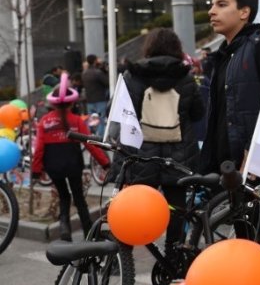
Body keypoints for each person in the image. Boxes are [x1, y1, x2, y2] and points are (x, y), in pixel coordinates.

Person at [199, 0, 260, 250]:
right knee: (246, 241)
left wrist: (254, 156)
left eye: (222, 4)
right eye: (212, 5)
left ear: (244, 12)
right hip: (233, 169)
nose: (211, 11)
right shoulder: (224, 55)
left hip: (259, 169)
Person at [112, 28, 204, 254]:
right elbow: (198, 113)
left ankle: (123, 255)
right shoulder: (186, 77)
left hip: (141, 154)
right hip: (179, 154)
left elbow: (120, 113)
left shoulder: (132, 76)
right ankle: (173, 255)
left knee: (134, 208)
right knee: (177, 208)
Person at [32, 73, 110, 241]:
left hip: (53, 166)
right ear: (73, 102)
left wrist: (36, 170)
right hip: (73, 164)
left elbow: (39, 149)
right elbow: (91, 144)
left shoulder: (44, 122)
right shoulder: (77, 121)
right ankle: (89, 233)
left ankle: (64, 229)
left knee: (64, 196)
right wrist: (105, 163)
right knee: (79, 198)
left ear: (51, 102)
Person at [81, 54, 109, 137]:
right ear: (95, 61)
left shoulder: (84, 73)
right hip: (100, 99)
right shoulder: (98, 72)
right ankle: (99, 138)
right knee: (100, 120)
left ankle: (92, 135)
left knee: (92, 121)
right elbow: (107, 82)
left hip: (89, 100)